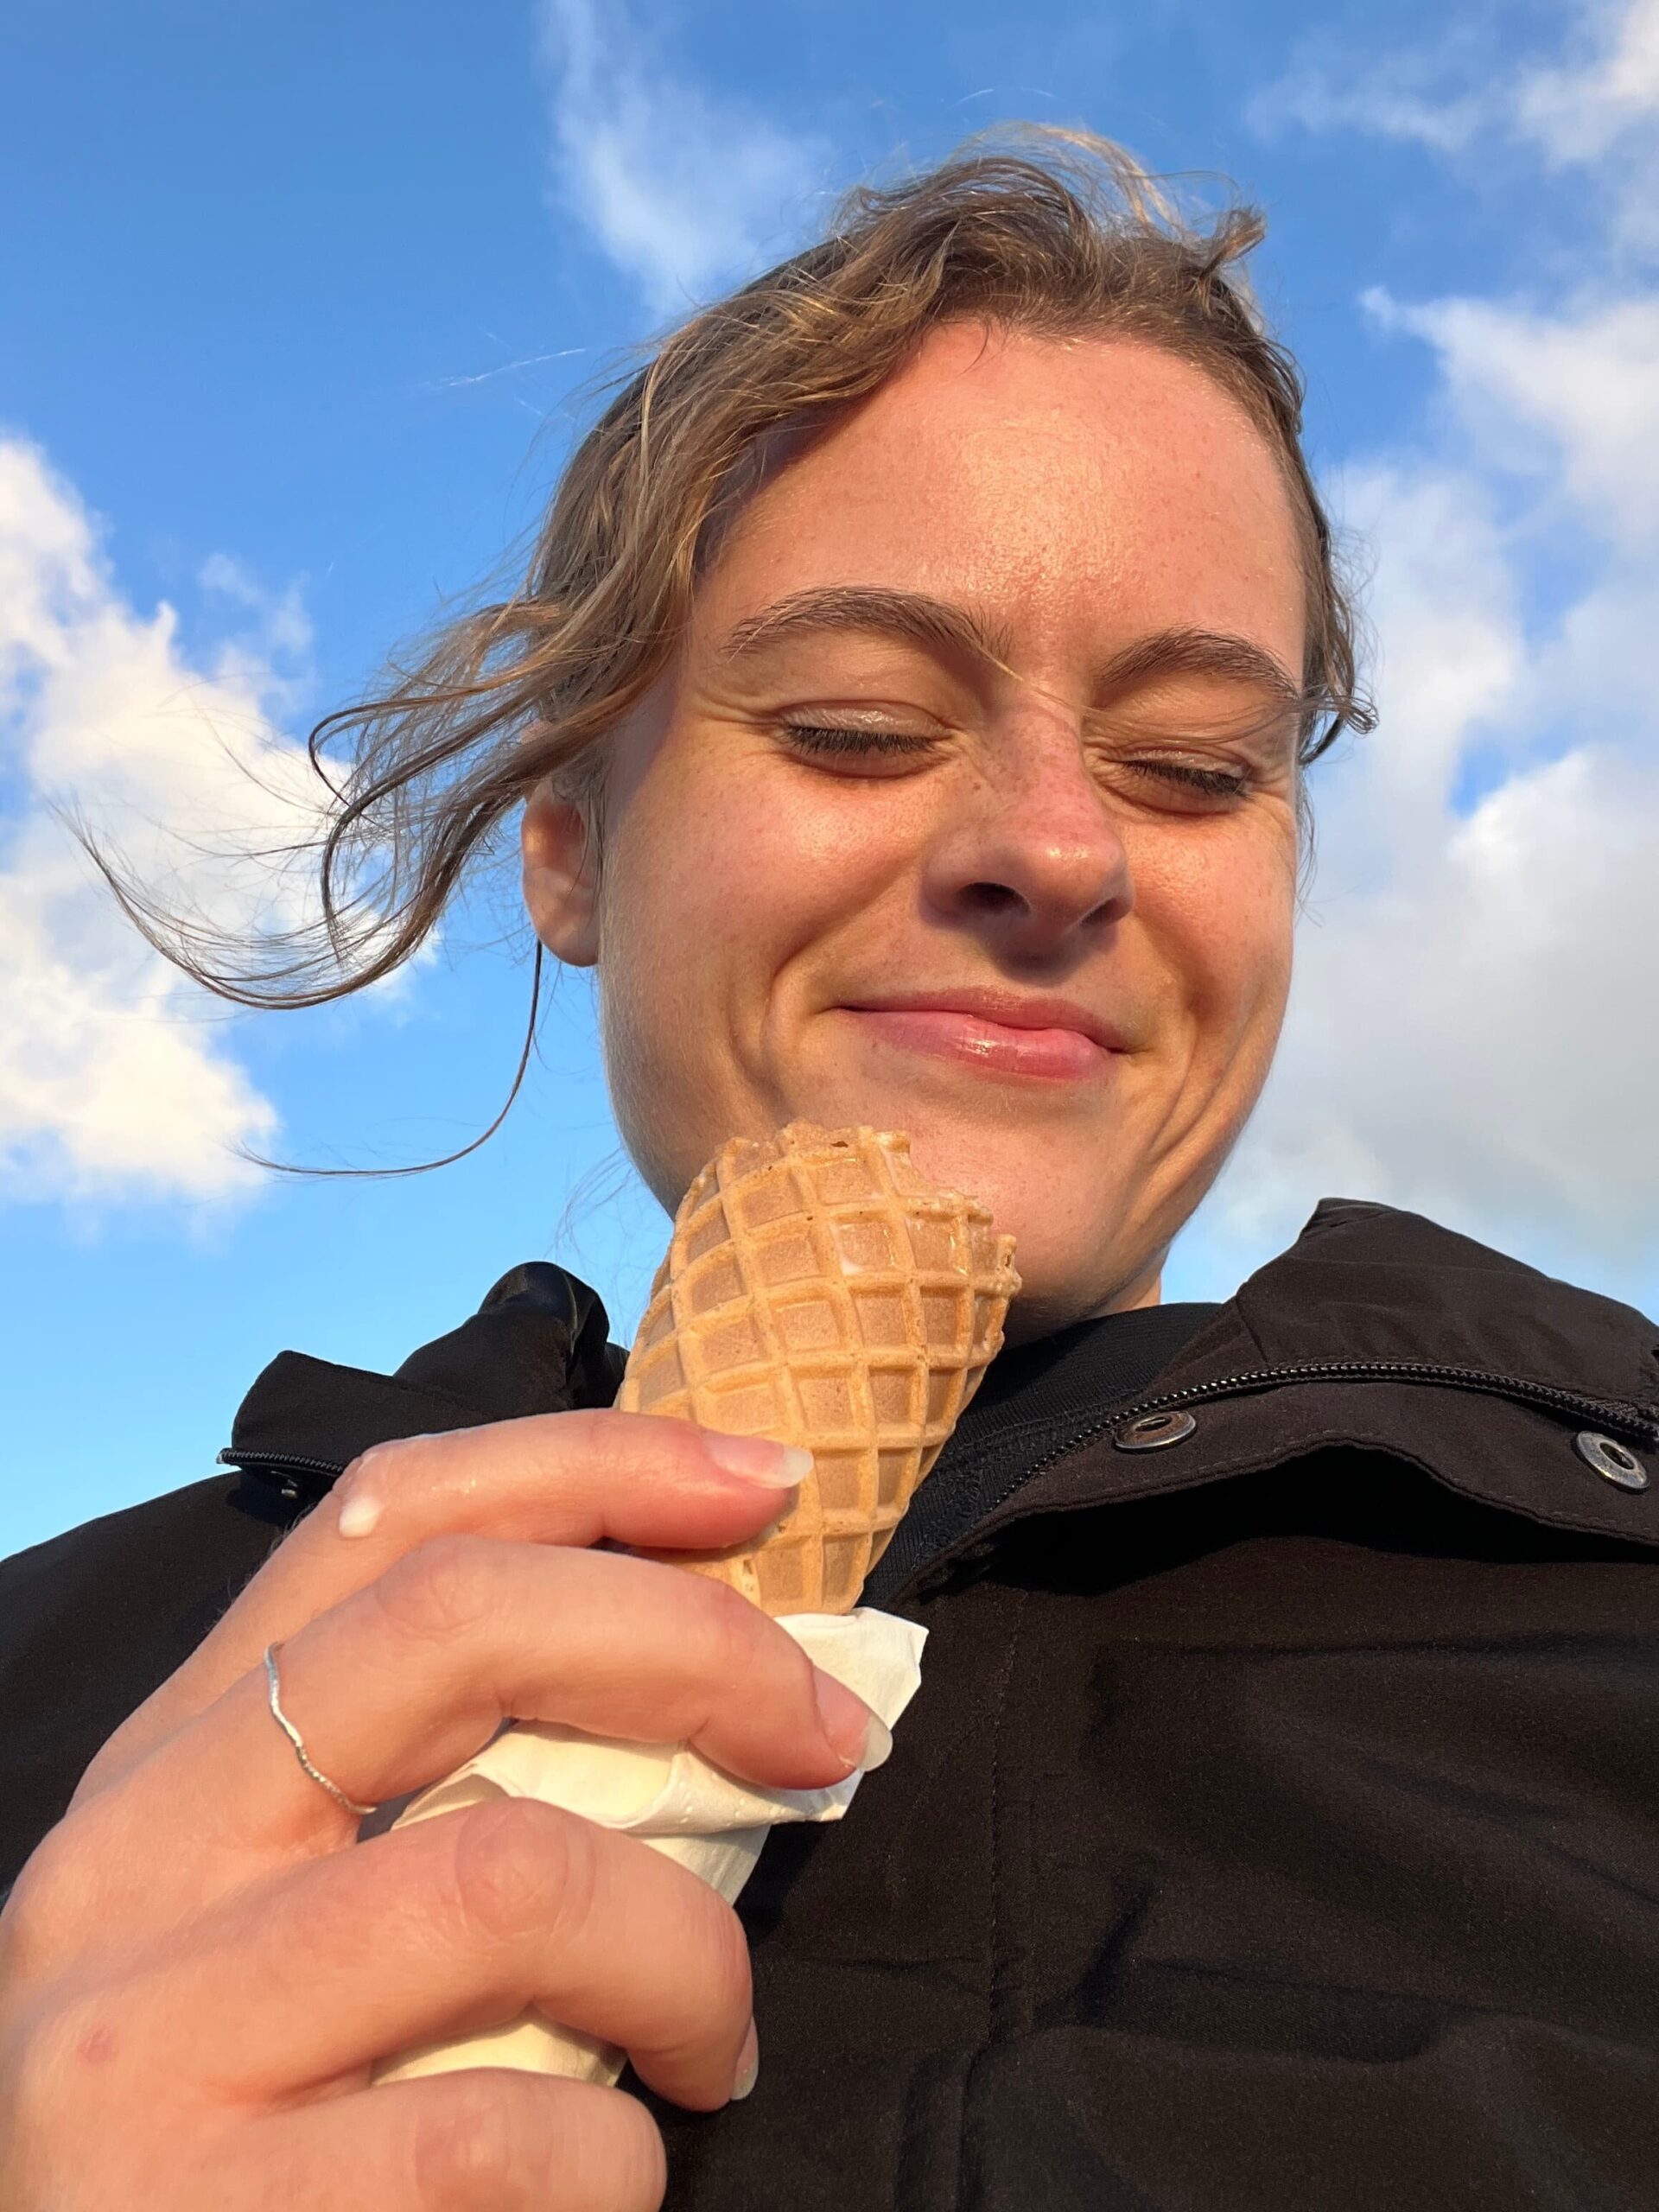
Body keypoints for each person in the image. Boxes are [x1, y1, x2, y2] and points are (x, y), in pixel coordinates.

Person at [1, 126, 1655, 2212]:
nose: (1060, 846)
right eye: (861, 722)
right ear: (574, 845)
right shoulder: (60, 1675)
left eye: (1192, 764)